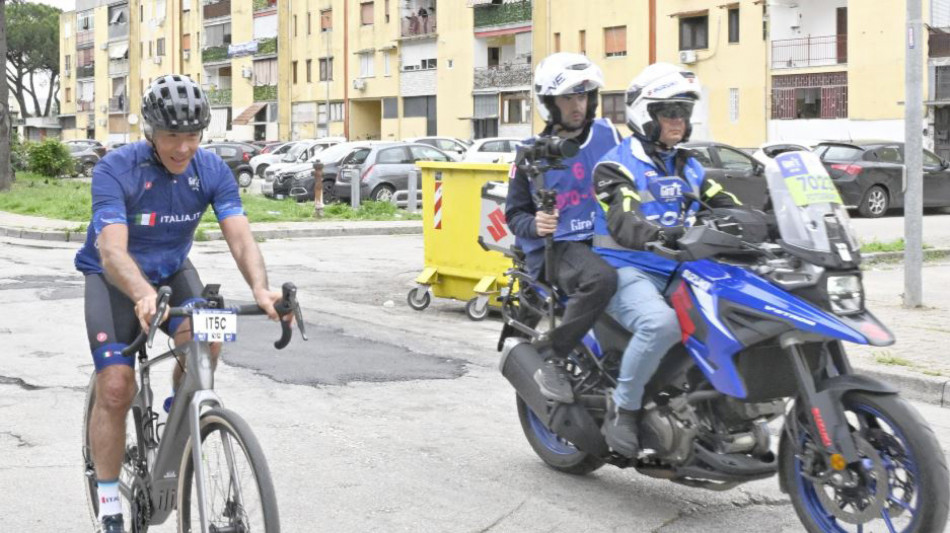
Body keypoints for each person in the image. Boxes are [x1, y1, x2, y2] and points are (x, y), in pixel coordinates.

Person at [74, 74, 286, 533]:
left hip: (171, 270)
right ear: (151, 131)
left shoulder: (210, 170)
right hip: (114, 277)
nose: (184, 146)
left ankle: (179, 414)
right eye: (173, 135)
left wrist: (260, 289)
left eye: (193, 135)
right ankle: (109, 504)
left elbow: (240, 236)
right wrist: (142, 294)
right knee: (116, 386)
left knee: (206, 342)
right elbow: (112, 251)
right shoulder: (117, 169)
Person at [591, 63, 740, 458]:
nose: (678, 120)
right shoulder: (615, 165)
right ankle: (624, 409)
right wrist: (655, 233)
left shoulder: (688, 165)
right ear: (647, 115)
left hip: (681, 267)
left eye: (683, 112)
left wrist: (766, 222)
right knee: (661, 324)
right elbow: (623, 217)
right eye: (670, 112)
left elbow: (726, 204)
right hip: (628, 267)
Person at [505, 52, 621, 403]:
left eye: (583, 96)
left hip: (607, 241)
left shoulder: (609, 135)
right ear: (549, 103)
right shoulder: (530, 152)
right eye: (568, 97)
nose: (577, 105)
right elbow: (514, 214)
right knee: (601, 280)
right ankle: (552, 355)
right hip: (555, 249)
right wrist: (536, 223)